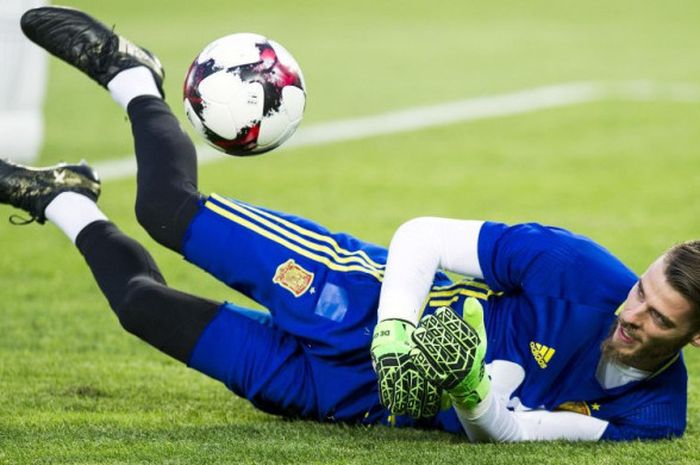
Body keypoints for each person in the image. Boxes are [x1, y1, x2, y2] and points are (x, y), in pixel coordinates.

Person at [3, 5, 699, 442]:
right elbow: (422, 234)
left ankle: (62, 198)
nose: (631, 312)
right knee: (163, 209)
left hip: (348, 398)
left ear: (695, 336)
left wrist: (470, 391)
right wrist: (397, 332)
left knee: (141, 307)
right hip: (349, 298)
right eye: (641, 290)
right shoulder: (581, 270)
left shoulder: (655, 416)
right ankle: (131, 76)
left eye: (658, 319)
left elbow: (513, 432)